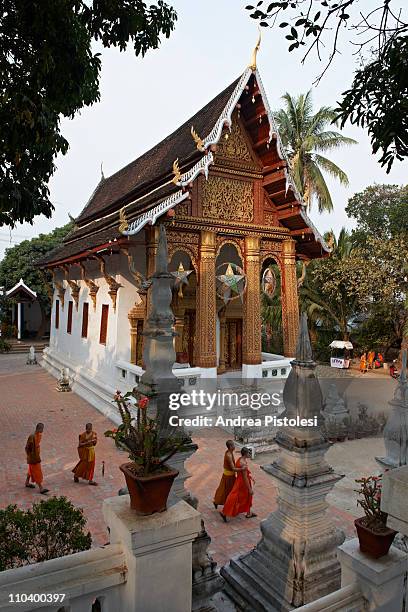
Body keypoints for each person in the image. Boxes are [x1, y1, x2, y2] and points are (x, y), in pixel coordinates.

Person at [220, 447, 256, 522]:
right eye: (249, 453)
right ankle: (224, 512)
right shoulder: (243, 463)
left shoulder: (240, 459)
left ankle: (248, 513)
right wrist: (249, 489)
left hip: (238, 481)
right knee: (239, 496)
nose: (250, 454)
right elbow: (245, 477)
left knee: (235, 496)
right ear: (246, 454)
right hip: (243, 483)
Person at [213, 440, 245, 509]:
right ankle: (223, 504)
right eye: (233, 445)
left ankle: (217, 502)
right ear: (230, 447)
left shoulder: (229, 452)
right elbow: (233, 468)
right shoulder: (229, 455)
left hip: (229, 475)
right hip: (229, 476)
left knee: (224, 490)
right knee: (229, 491)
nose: (234, 446)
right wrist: (242, 469)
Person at [25, 423, 49, 494]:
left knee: (31, 469)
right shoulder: (32, 436)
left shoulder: (39, 435)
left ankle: (26, 482)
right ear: (38, 428)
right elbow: (27, 447)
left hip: (36, 455)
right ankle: (41, 488)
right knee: (37, 471)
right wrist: (30, 456)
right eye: (42, 429)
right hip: (33, 457)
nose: (42, 430)